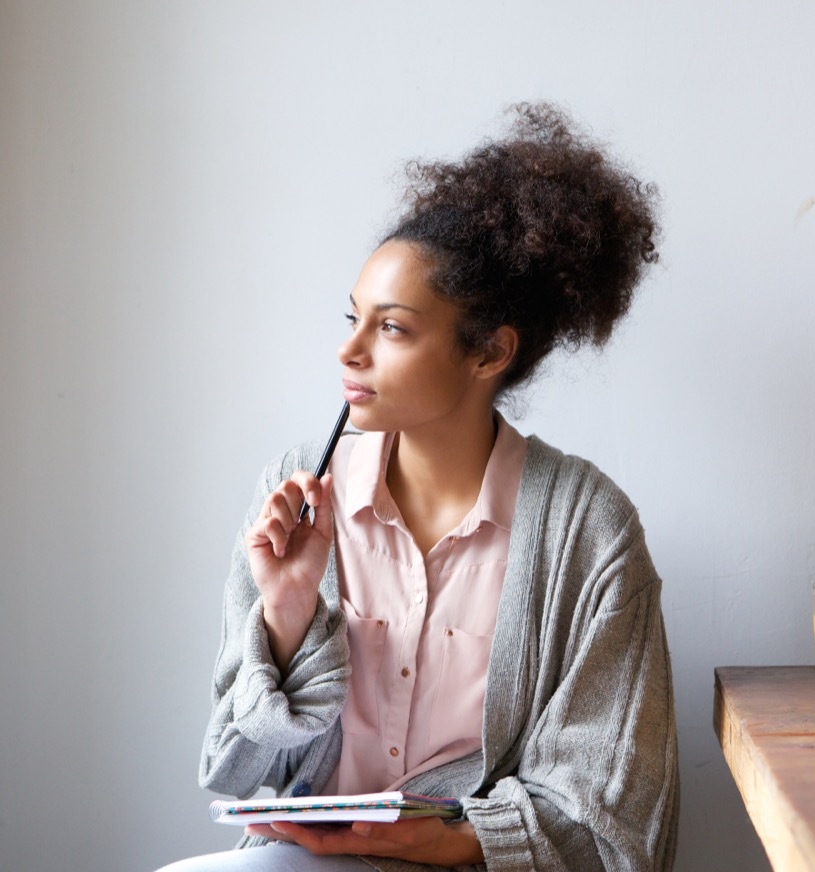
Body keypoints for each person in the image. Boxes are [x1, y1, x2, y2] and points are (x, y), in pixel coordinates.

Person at [160, 103, 678, 872]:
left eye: (392, 328)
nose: (350, 350)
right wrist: (288, 614)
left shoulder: (588, 530)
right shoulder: (298, 494)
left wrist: (452, 840)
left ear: (489, 352)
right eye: (353, 318)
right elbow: (235, 770)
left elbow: (611, 813)